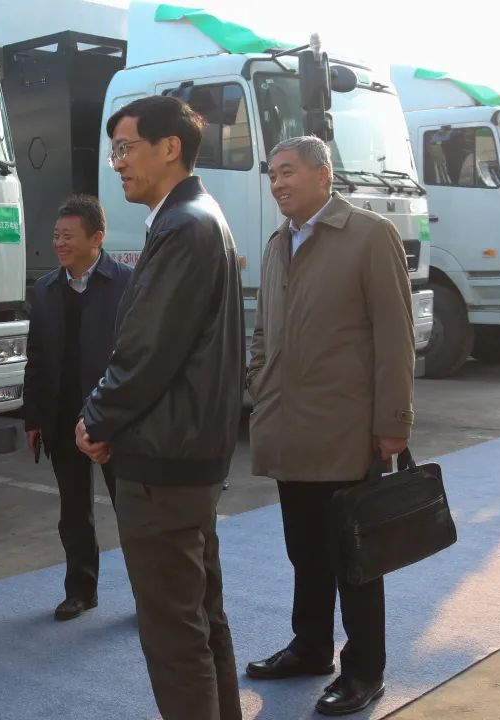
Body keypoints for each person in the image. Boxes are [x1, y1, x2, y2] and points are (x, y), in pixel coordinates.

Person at [76, 95, 244, 720]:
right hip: (189, 456)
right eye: (113, 151)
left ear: (170, 148)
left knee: (174, 634)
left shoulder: (184, 226)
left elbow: (146, 351)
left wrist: (96, 418)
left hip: (164, 462)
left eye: (125, 148)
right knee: (200, 617)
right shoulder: (197, 218)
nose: (117, 163)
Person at [244, 136, 415, 716]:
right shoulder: (278, 244)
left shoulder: (369, 235)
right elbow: (264, 330)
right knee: (305, 550)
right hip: (288, 427)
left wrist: (393, 421)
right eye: (272, 174)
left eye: (288, 172)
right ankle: (311, 646)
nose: (277, 183)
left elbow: (395, 335)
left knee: (355, 558)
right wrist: (260, 384)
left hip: (346, 431)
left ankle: (364, 670)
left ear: (324, 174)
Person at [24, 195, 132, 621]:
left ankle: (150, 596)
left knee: (131, 511)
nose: (59, 243)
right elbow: (36, 357)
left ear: (97, 238)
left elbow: (139, 355)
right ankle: (81, 591)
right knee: (73, 512)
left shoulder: (127, 284)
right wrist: (34, 417)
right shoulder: (46, 289)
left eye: (68, 236)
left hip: (114, 416)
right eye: (56, 235)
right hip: (62, 415)